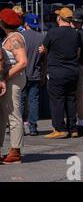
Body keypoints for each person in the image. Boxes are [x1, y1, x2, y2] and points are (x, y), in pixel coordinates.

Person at [40, 8, 81, 139]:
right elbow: (78, 52)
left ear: (59, 19)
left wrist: (45, 50)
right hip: (73, 71)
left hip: (57, 71)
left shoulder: (53, 32)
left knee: (57, 100)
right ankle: (73, 128)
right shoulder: (76, 34)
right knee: (71, 99)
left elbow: (43, 48)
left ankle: (59, 128)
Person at [0, 9, 27, 164]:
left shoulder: (14, 38)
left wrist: (5, 75)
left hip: (13, 80)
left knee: (13, 114)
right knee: (5, 115)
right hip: (13, 79)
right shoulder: (12, 36)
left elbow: (23, 62)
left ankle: (15, 151)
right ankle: (12, 149)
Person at [20, 13, 46, 136]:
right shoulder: (41, 38)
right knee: (34, 101)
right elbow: (44, 59)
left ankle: (19, 127)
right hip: (36, 73)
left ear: (26, 24)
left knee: (21, 101)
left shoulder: (21, 37)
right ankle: (33, 127)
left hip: (22, 74)